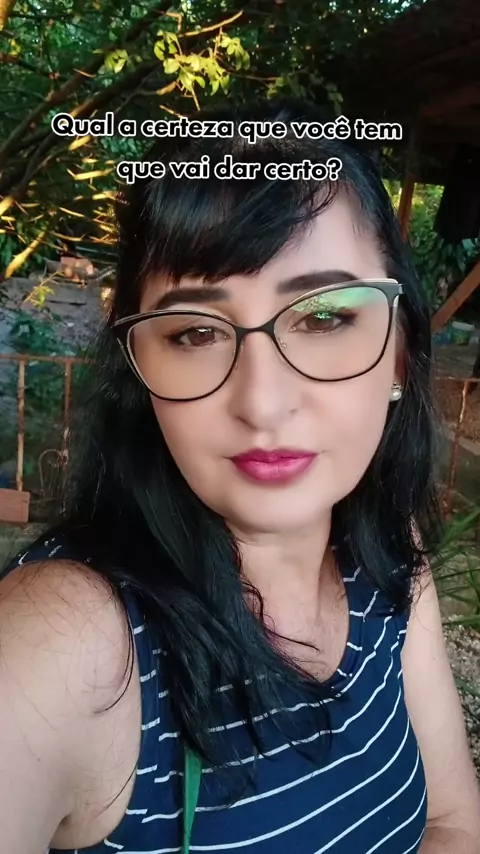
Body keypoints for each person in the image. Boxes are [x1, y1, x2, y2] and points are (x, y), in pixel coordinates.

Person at [1, 99, 479, 854]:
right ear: (138, 369)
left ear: (399, 352)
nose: (261, 402)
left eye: (323, 317)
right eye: (195, 331)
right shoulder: (69, 643)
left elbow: (453, 822)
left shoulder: (392, 552)